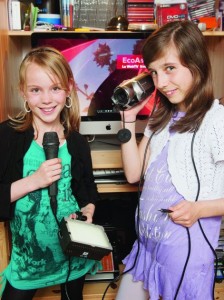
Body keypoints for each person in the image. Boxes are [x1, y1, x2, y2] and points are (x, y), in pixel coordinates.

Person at [115, 20, 224, 300]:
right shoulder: (160, 119)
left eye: (170, 68)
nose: (161, 83)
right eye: (154, 72)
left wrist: (199, 209)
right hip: (148, 248)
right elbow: (132, 174)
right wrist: (127, 119)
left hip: (183, 257)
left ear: (196, 63)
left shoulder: (216, 121)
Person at [0, 46, 101, 300]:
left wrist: (87, 212)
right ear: (24, 92)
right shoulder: (7, 137)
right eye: (36, 90)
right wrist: (35, 180)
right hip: (28, 265)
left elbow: (87, 191)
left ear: (68, 89)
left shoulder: (76, 142)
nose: (46, 99)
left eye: (55, 88)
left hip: (72, 262)